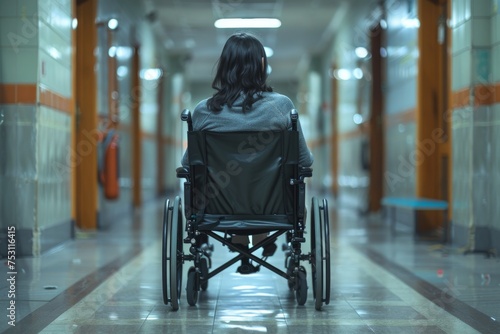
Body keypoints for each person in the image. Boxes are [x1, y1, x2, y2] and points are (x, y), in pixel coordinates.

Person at [181, 32, 313, 274]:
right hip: (274, 207)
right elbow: (304, 161)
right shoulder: (282, 107)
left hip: (216, 208)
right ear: (262, 65)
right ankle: (261, 232)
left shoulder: (203, 112)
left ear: (223, 67)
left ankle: (241, 236)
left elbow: (188, 166)